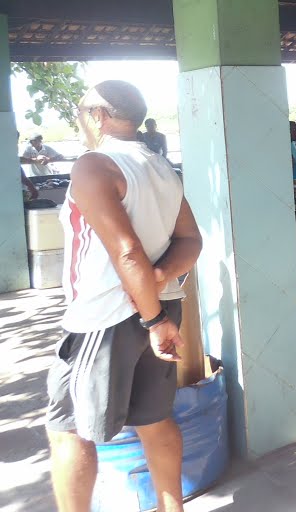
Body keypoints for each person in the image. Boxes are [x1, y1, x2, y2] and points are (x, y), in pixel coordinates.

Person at [46, 81, 203, 512]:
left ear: (98, 115)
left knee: (69, 429)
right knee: (155, 420)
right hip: (160, 305)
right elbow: (191, 241)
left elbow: (126, 250)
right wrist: (157, 283)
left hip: (105, 318)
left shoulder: (95, 166)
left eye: (81, 112)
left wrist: (153, 321)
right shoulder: (158, 166)